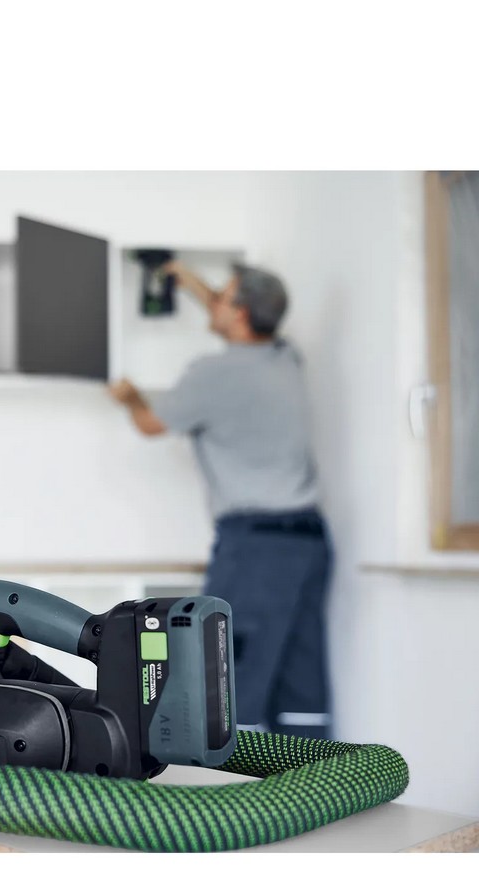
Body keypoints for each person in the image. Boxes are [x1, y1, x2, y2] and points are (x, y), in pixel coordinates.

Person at [109, 262, 332, 739]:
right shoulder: (285, 357)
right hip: (309, 541)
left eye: (222, 297)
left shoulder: (212, 374)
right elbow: (236, 310)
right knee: (301, 684)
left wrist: (129, 396)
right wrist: (184, 276)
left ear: (241, 313)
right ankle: (317, 778)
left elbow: (150, 424)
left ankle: (230, 784)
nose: (212, 301)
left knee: (228, 681)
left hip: (257, 549)